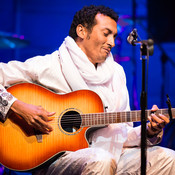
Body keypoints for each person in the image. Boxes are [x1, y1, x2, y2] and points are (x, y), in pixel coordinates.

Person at [0, 5, 175, 175]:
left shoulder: (117, 73)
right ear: (82, 31)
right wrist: (18, 107)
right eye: (106, 34)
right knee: (100, 159)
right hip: (60, 159)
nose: (112, 43)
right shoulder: (50, 65)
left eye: (114, 36)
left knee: (168, 158)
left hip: (111, 155)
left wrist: (149, 131)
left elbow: (121, 135)